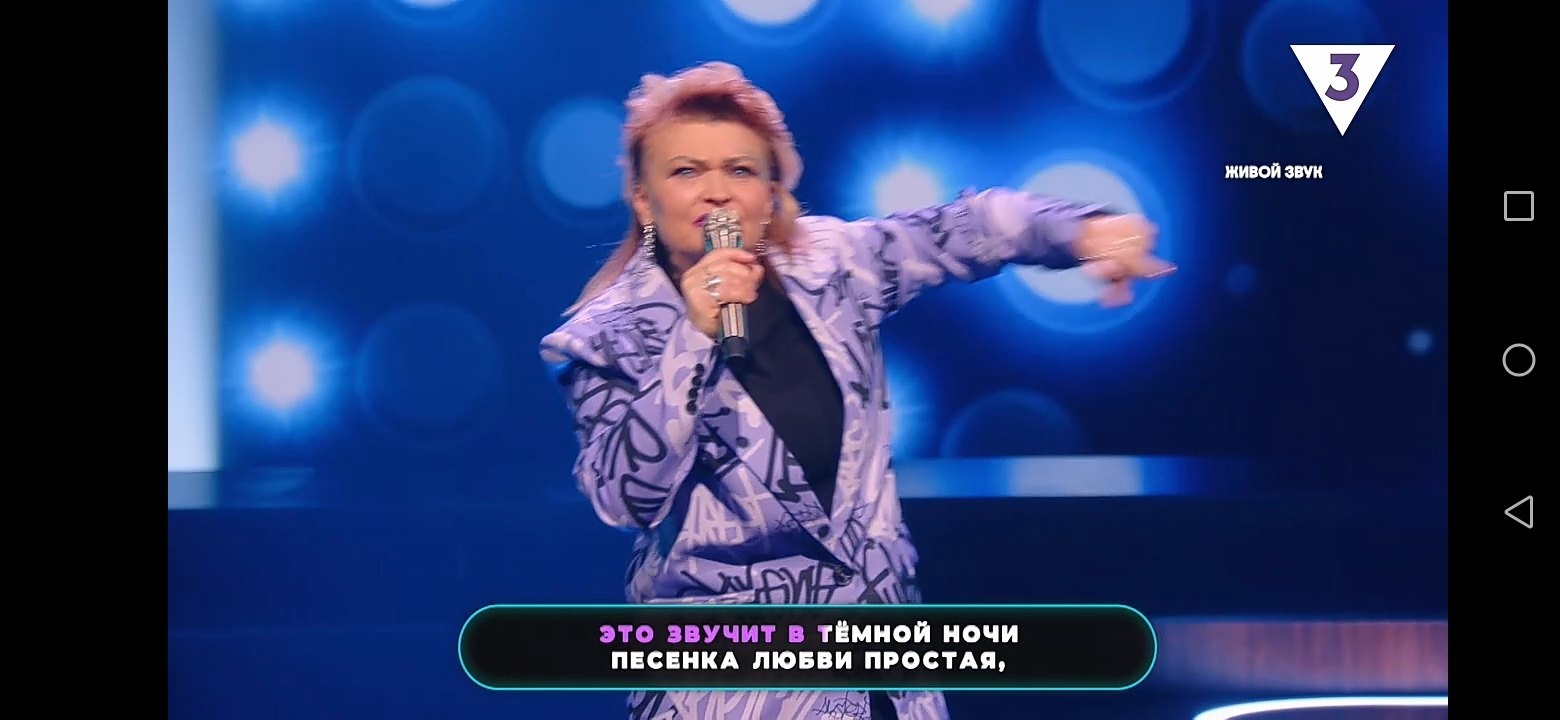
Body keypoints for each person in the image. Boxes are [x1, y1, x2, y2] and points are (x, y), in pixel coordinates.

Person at [539, 62, 1173, 720]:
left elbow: (965, 228)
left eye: (741, 170)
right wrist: (690, 341)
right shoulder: (601, 339)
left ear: (770, 193)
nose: (718, 193)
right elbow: (626, 498)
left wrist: (1081, 231)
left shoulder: (832, 267)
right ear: (644, 199)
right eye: (686, 172)